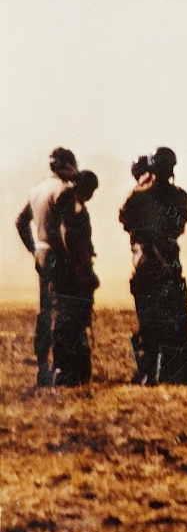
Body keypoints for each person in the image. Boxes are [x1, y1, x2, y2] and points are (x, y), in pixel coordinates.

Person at [119, 147, 187, 386]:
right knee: (178, 318)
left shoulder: (137, 196)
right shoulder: (180, 196)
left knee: (149, 319)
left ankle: (148, 372)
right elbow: (178, 227)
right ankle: (179, 371)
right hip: (168, 260)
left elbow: (126, 220)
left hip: (144, 263)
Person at [14, 147, 79, 386]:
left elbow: (20, 222)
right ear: (68, 166)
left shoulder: (37, 190)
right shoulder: (64, 191)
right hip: (59, 256)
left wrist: (33, 249)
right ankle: (62, 368)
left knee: (45, 312)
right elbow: (68, 232)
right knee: (63, 313)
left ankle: (43, 366)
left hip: (41, 255)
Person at [50, 170, 101, 386]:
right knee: (74, 320)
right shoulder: (74, 204)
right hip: (73, 273)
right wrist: (84, 270)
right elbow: (70, 235)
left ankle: (67, 369)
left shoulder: (68, 200)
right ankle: (70, 371)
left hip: (64, 271)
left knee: (67, 320)